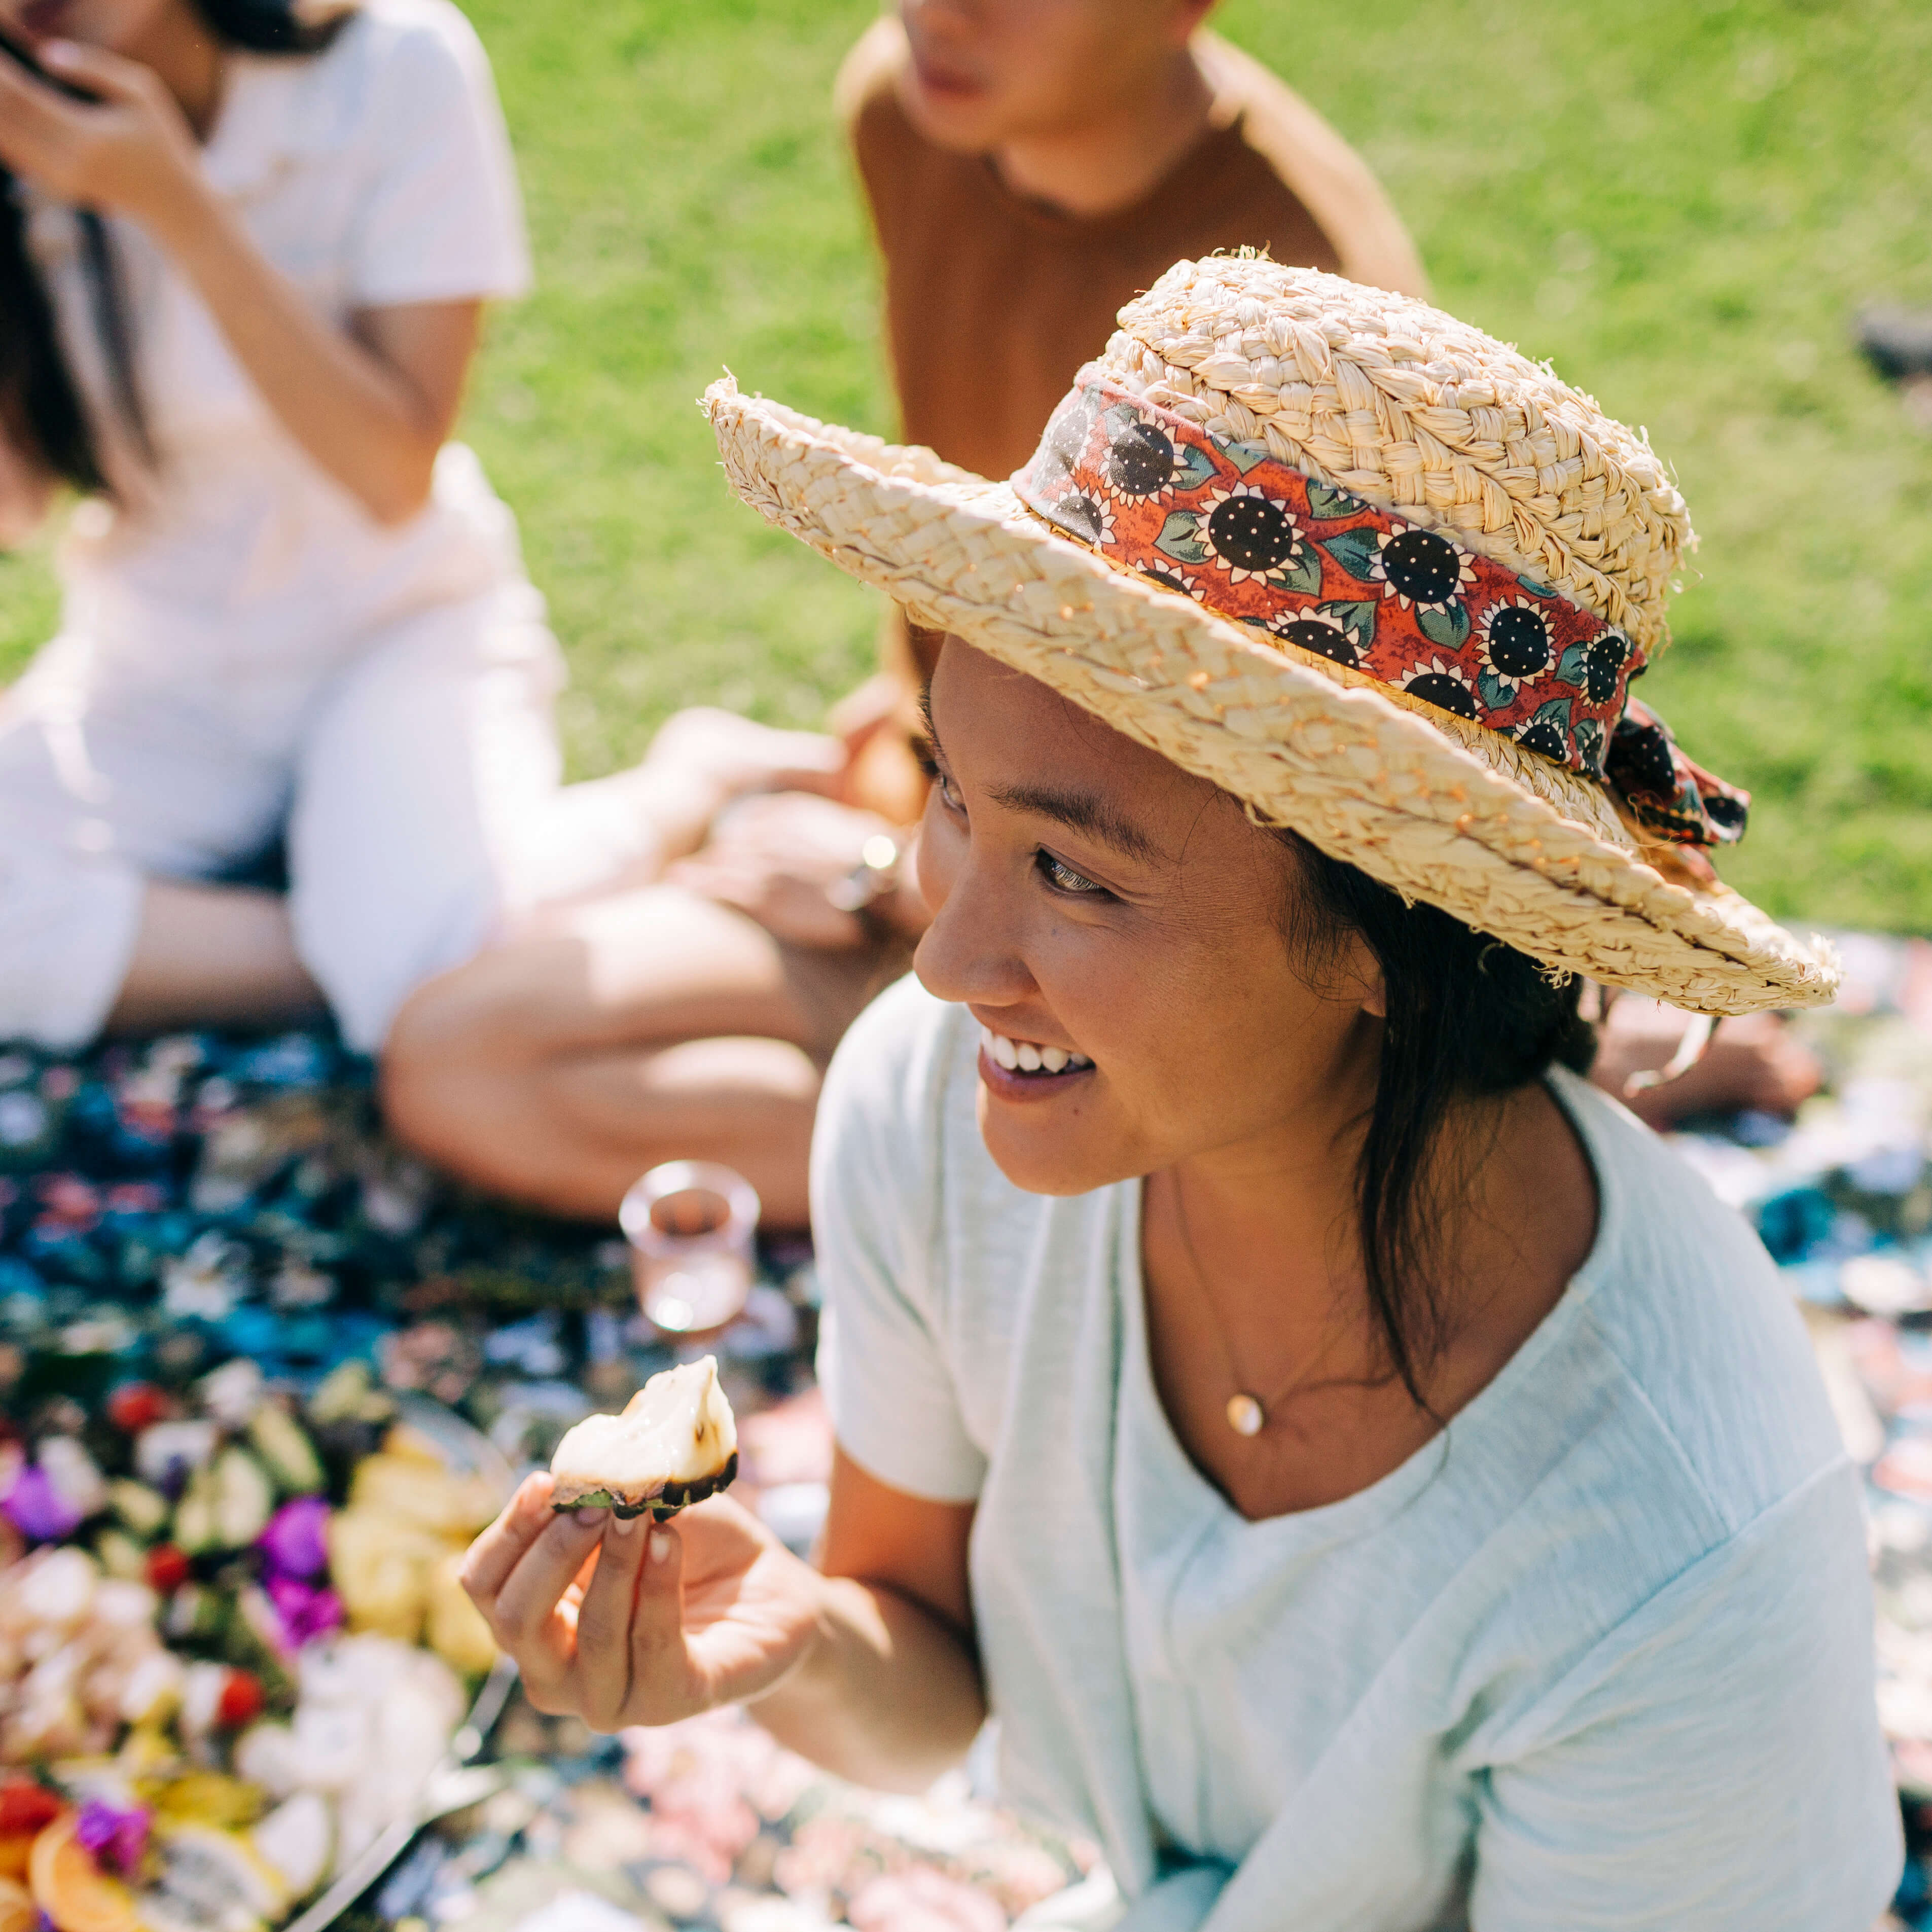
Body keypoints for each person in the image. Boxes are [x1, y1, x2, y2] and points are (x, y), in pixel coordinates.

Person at [461, 259, 1901, 1927]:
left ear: (1389, 942)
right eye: (955, 799)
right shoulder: (936, 1118)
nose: (945, 963)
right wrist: (779, 1647)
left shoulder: (1668, 1539)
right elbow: (927, 1675)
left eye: (1074, 873)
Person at [379, 0, 1428, 1226]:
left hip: (1127, 939)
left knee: (1228, 1156)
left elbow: (1242, 851)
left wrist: (890, 885)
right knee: (460, 1056)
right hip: (938, 828)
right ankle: (979, 1164)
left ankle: (1006, 1169)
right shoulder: (912, 109)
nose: (940, 9)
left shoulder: (1304, 311)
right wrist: (903, 836)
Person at [0, 0, 688, 1057]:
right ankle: (360, 939)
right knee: (413, 969)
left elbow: (393, 473)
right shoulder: (23, 126)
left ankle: (688, 784)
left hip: (392, 629)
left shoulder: (395, 67)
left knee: (424, 994)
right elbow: (21, 502)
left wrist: (171, 204)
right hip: (153, 668)